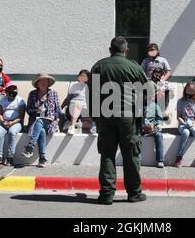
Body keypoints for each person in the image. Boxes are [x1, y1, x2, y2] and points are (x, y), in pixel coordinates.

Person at [89, 37, 149, 205]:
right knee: (131, 155)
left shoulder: (98, 66)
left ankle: (107, 194)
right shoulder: (133, 66)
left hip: (105, 116)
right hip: (128, 117)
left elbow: (92, 94)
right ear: (126, 50)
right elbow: (146, 91)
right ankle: (134, 193)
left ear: (110, 50)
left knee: (107, 155)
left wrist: (96, 118)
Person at [21, 73, 61, 168]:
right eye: (41, 80)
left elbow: (59, 111)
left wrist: (54, 117)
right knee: (41, 128)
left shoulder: (53, 93)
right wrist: (36, 110)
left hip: (50, 122)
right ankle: (42, 158)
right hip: (35, 123)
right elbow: (28, 110)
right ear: (37, 83)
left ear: (48, 83)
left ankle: (30, 147)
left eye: (45, 80)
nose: (43, 82)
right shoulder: (32, 94)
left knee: (41, 122)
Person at [0, 82, 26, 166]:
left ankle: (10, 157)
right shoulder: (2, 100)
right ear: (6, 91)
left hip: (16, 122)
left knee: (12, 132)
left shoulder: (20, 100)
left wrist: (12, 123)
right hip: (4, 122)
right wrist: (3, 121)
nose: (13, 91)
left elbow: (21, 116)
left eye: (14, 89)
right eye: (10, 89)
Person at [175, 82, 195, 168]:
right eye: (188, 93)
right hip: (183, 123)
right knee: (185, 133)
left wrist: (193, 125)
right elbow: (178, 117)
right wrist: (184, 123)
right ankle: (179, 156)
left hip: (193, 123)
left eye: (192, 93)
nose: (190, 95)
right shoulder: (180, 101)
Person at [61, 70, 97, 136]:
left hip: (85, 111)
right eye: (82, 76)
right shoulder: (74, 86)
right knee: (78, 104)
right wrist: (60, 108)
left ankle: (92, 127)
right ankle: (72, 126)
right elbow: (67, 99)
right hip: (73, 109)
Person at [142, 93, 169, 169]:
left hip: (152, 129)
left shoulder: (156, 106)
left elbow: (160, 120)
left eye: (152, 95)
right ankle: (135, 158)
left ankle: (160, 160)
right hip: (141, 129)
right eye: (148, 95)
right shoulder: (139, 106)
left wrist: (153, 124)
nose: (150, 97)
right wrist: (142, 126)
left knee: (159, 135)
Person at [141, 44, 172, 110]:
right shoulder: (145, 60)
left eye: (153, 50)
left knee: (167, 87)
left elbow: (168, 72)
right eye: (150, 50)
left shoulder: (163, 60)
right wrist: (145, 79)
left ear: (158, 51)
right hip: (149, 80)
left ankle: (164, 108)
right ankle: (145, 107)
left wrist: (163, 79)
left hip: (160, 81)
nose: (151, 51)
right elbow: (142, 71)